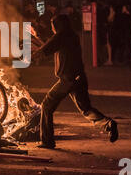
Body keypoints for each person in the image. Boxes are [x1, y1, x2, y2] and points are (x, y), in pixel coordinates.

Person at [36, 14, 118, 149]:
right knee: (86, 109)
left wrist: (25, 55)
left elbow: (44, 50)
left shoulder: (61, 36)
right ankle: (107, 123)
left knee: (46, 105)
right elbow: (50, 46)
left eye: (53, 26)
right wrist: (38, 39)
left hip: (67, 79)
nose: (52, 29)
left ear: (57, 25)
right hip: (79, 77)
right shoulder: (70, 35)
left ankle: (47, 141)